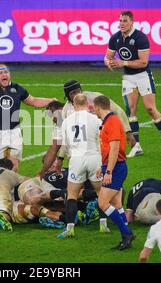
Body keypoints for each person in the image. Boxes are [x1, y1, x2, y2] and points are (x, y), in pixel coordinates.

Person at [0, 38, 55, 171]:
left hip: (15, 132)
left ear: (9, 74)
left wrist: (51, 101)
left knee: (14, 167)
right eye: (0, 73)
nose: (4, 74)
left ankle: (12, 192)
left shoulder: (17, 88)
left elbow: (34, 101)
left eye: (6, 72)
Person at [104, 10, 161, 158]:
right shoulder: (115, 38)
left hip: (143, 76)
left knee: (150, 109)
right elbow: (107, 56)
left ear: (132, 22)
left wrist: (122, 62)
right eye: (120, 21)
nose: (121, 24)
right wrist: (108, 63)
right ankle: (136, 146)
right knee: (131, 110)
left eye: (125, 21)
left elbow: (143, 62)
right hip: (128, 78)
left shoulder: (140, 38)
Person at [38, 80, 134, 177]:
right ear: (67, 96)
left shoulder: (95, 98)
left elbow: (118, 110)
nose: (77, 94)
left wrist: (128, 132)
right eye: (73, 93)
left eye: (78, 91)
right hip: (79, 154)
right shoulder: (66, 111)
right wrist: (60, 158)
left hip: (99, 147)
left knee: (104, 178)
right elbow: (66, 137)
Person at [56, 94, 103, 239]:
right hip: (94, 157)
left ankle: (70, 228)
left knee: (72, 195)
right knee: (101, 192)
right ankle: (104, 225)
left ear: (74, 105)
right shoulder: (96, 119)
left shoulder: (66, 121)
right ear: (88, 104)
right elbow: (101, 139)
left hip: (76, 159)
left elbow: (66, 144)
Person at [93, 95, 135, 250]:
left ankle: (127, 233)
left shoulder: (112, 122)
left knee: (103, 203)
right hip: (112, 166)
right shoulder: (108, 122)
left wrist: (108, 171)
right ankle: (126, 236)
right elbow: (107, 148)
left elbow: (115, 148)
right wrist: (102, 166)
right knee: (116, 203)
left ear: (98, 108)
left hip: (116, 168)